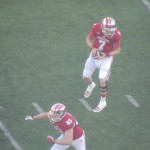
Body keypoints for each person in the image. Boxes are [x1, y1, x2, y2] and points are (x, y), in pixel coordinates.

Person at [82, 17, 122, 112]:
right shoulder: (96, 28)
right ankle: (91, 85)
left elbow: (117, 50)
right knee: (85, 76)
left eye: (111, 30)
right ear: (103, 27)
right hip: (94, 55)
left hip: (106, 58)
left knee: (102, 80)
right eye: (108, 30)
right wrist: (92, 48)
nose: (110, 32)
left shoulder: (116, 35)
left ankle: (103, 102)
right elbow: (88, 39)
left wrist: (106, 54)